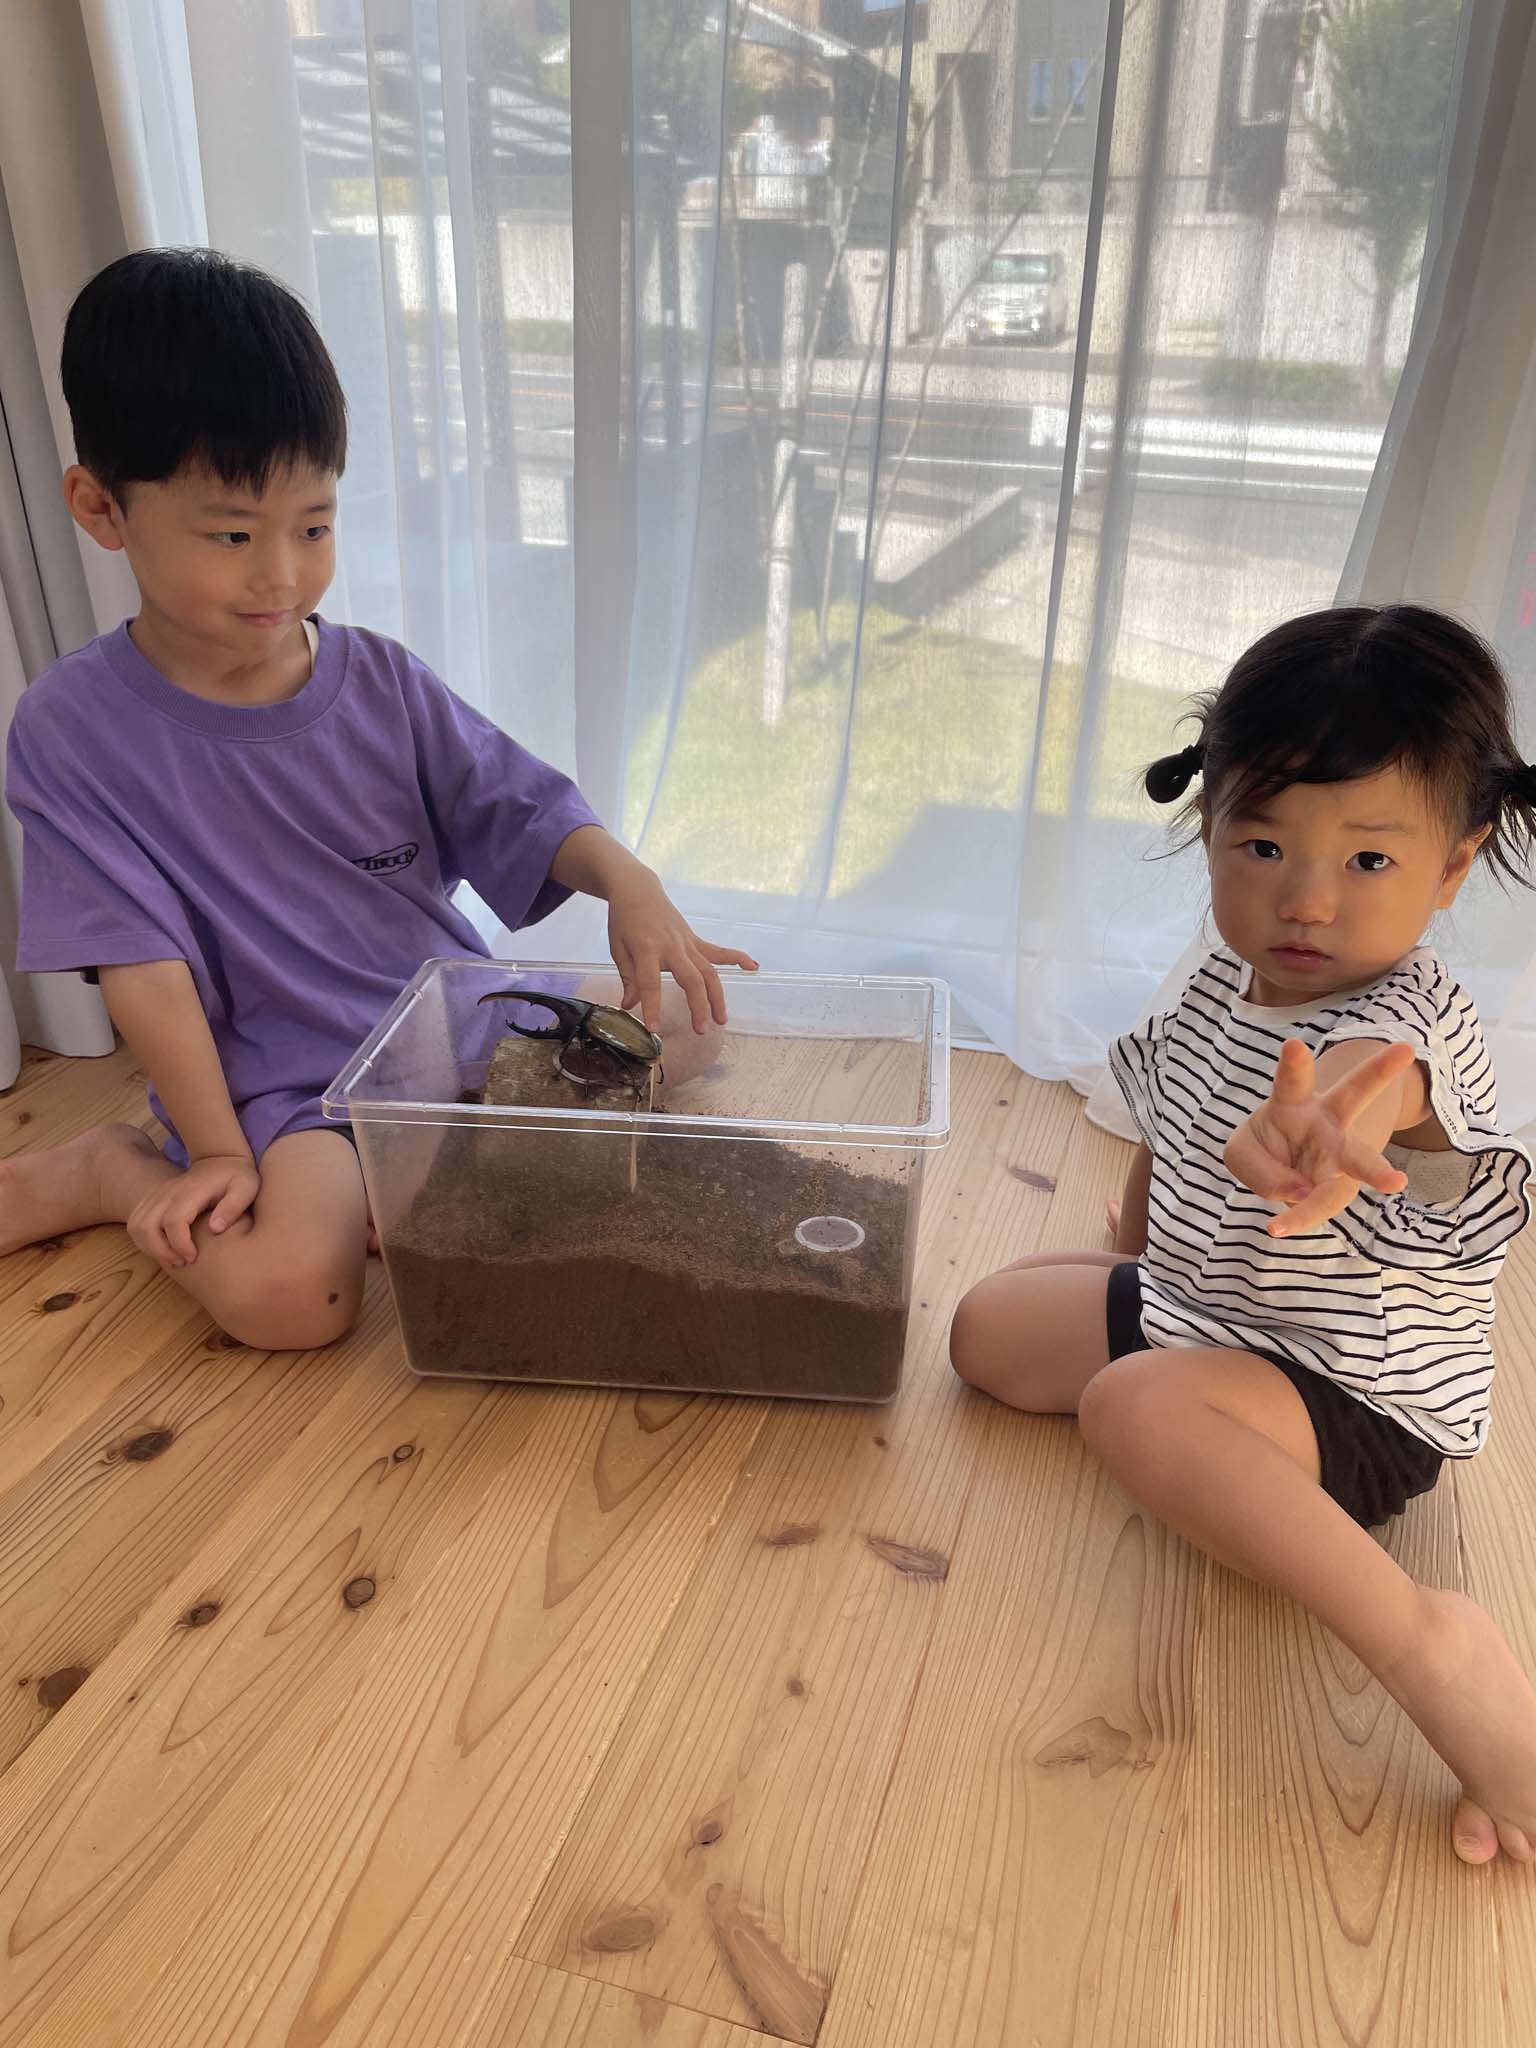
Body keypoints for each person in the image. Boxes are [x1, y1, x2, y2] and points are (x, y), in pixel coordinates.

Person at [1, 247, 755, 1351]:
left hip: (461, 1028)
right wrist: (218, 1154)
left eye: (313, 526)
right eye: (232, 534)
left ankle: (430, 1163)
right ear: (101, 508)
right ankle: (110, 1171)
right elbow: (144, 974)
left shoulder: (381, 679)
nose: (282, 574)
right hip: (297, 1086)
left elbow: (524, 806)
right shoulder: (71, 728)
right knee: (290, 1301)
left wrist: (630, 883)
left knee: (692, 1022)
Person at [951, 605, 1536, 1865]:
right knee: (987, 1328)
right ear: (1207, 825)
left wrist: (1347, 1117)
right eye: (1263, 844)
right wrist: (1138, 1253)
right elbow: (1168, 1121)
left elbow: (1394, 1093)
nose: (1305, 900)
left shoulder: (1409, 1024)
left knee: (1132, 1406)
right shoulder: (1223, 977)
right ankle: (1177, 1368)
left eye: (1368, 860)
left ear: (1452, 867)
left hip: (1353, 1395)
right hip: (1222, 1314)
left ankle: (1430, 1640)